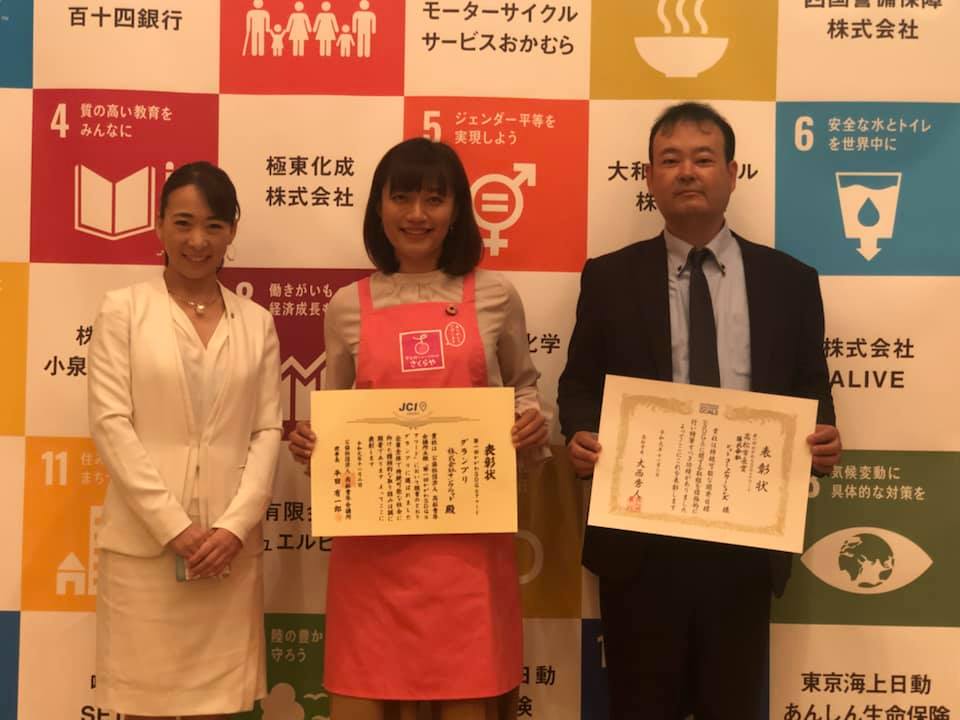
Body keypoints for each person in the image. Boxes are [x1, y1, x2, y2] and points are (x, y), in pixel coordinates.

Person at [557, 102, 842, 720]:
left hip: (745, 542)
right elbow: (578, 385)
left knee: (732, 705)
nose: (687, 172)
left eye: (703, 158)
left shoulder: (790, 282)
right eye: (671, 160)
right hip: (639, 543)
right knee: (640, 706)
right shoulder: (608, 279)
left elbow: (812, 390)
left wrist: (823, 437)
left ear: (732, 174)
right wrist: (580, 431)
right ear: (649, 177)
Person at [287, 138, 549, 720]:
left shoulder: (495, 295)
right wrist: (314, 444)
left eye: (434, 199)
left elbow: (524, 387)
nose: (416, 214)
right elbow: (335, 412)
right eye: (401, 198)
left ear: (456, 211)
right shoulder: (347, 306)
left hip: (467, 552)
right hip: (372, 555)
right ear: (378, 207)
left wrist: (530, 424)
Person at [87, 162, 282, 720]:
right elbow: (111, 423)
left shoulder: (256, 322)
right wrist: (174, 526)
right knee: (141, 704)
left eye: (214, 226)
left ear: (232, 230)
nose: (198, 241)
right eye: (184, 223)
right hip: (145, 550)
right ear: (159, 225)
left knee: (220, 706)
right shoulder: (123, 309)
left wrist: (234, 527)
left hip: (227, 554)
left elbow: (266, 428)